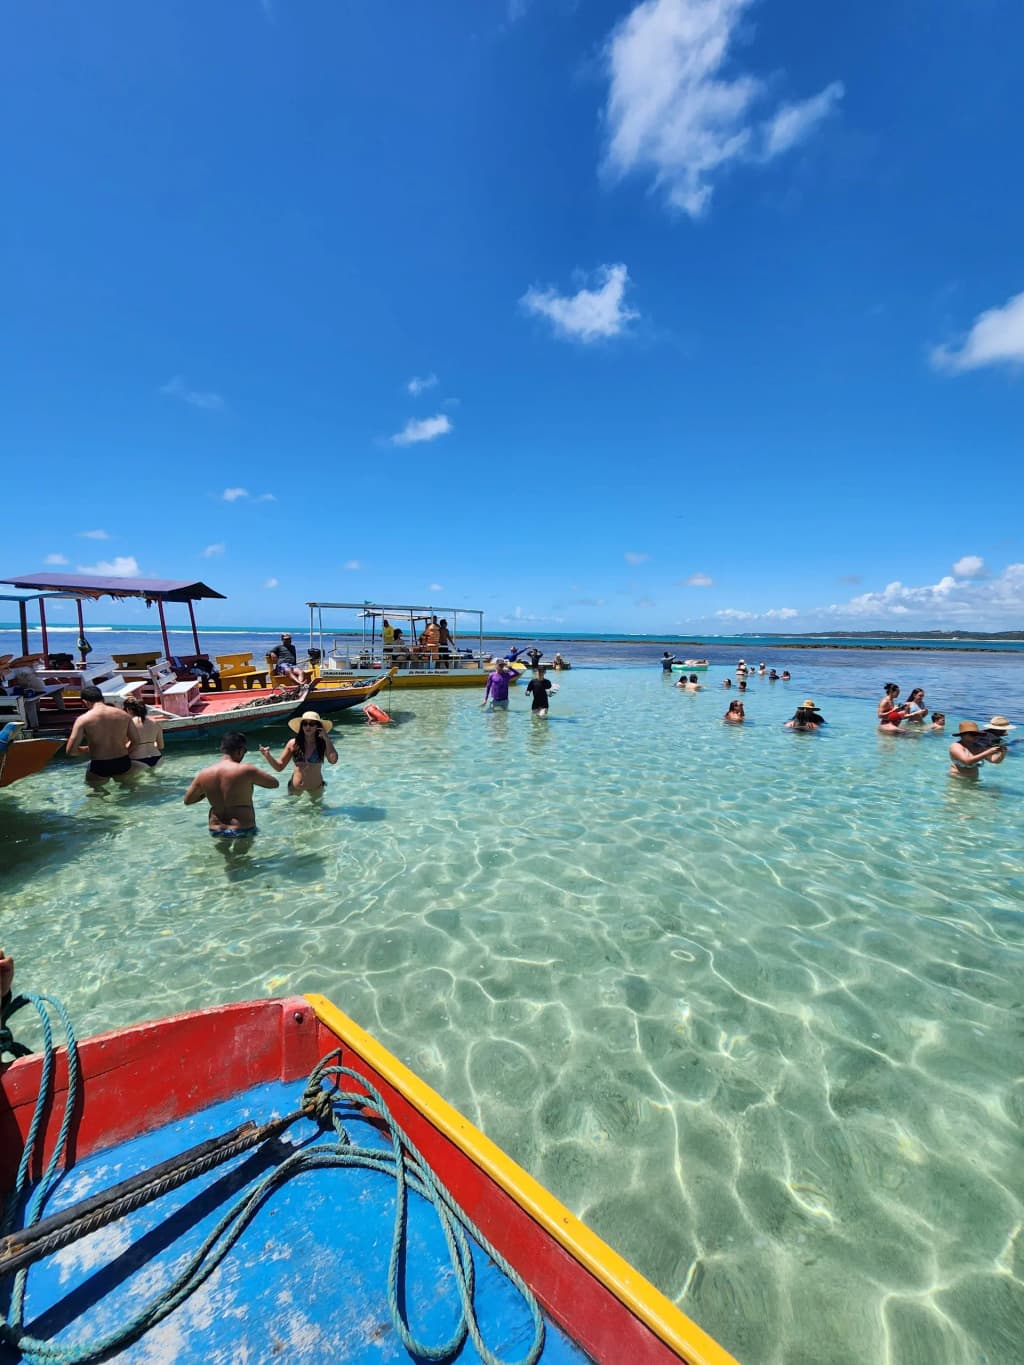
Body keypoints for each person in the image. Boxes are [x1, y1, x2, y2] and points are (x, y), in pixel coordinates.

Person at [184, 731, 279, 836]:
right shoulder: (246, 770)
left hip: (216, 828)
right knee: (244, 853)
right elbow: (274, 783)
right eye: (245, 751)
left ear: (222, 749)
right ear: (240, 750)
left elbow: (188, 800)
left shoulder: (204, 774)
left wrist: (207, 791)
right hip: (242, 828)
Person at [64, 684, 137, 786]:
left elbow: (71, 751)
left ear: (85, 702)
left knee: (98, 796)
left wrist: (86, 749)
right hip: (123, 761)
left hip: (100, 764)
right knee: (129, 791)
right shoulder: (124, 715)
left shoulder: (83, 720)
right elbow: (136, 741)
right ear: (102, 698)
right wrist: (125, 750)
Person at [259, 710, 337, 795]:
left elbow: (333, 760)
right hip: (295, 788)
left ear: (317, 727)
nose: (308, 726)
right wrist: (267, 755)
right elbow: (279, 767)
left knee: (317, 808)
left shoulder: (323, 744)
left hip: (316, 788)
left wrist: (326, 739)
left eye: (311, 724)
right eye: (305, 724)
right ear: (301, 726)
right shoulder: (293, 743)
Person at [124, 696, 164, 769]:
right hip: (157, 758)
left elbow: (124, 746)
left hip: (137, 759)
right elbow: (161, 746)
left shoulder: (129, 723)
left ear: (128, 710)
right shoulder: (154, 722)